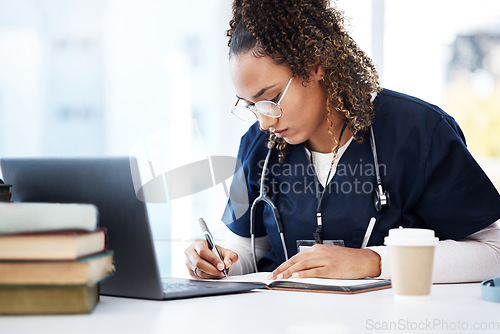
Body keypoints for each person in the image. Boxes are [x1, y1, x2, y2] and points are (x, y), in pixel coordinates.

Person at [185, 0, 500, 282]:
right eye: (250, 105)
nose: (265, 121)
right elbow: (247, 249)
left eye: (271, 98)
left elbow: (492, 253)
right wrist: (217, 260)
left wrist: (372, 262)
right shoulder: (256, 146)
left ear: (315, 64)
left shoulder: (420, 132)